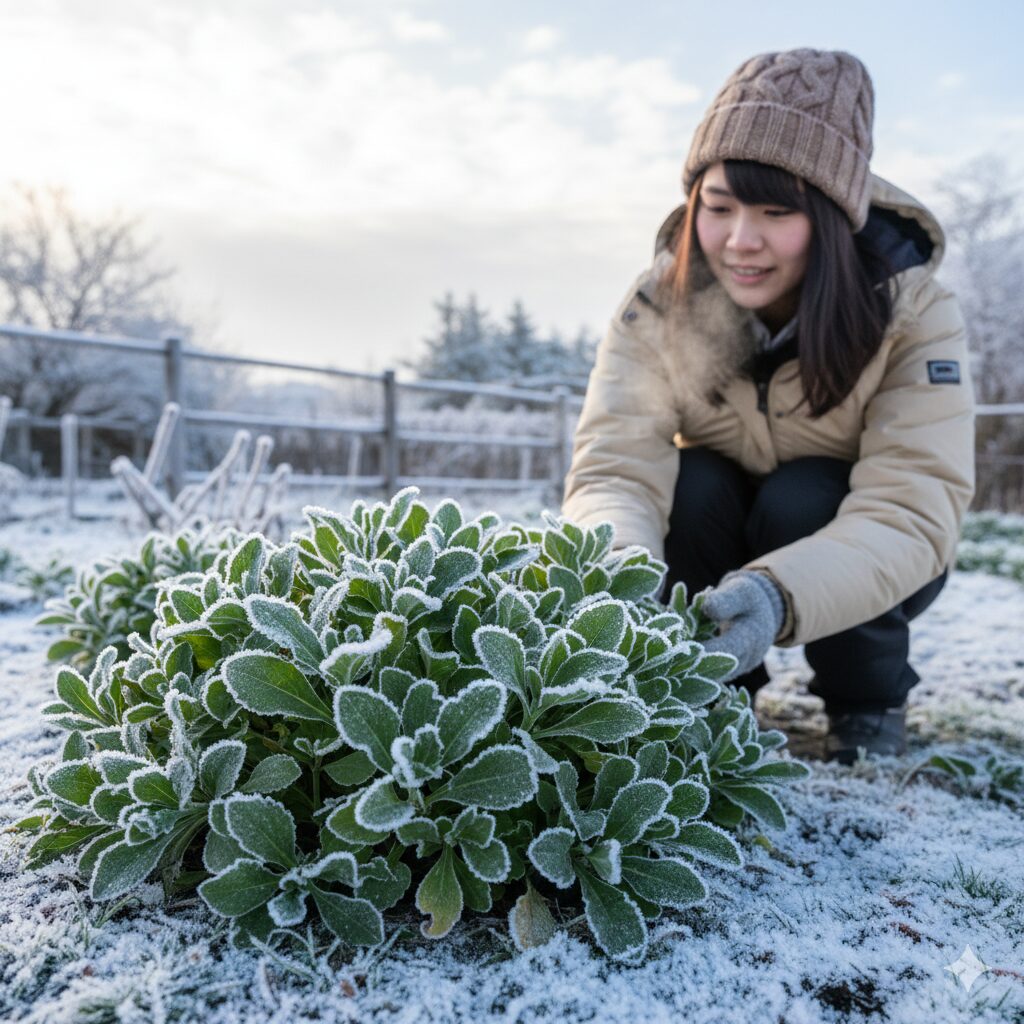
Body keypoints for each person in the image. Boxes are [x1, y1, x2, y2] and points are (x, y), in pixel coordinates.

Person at [560, 47, 976, 764]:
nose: (740, 241)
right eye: (718, 209)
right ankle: (710, 695)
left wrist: (779, 595)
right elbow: (615, 471)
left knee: (805, 494)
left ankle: (867, 704)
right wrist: (620, 574)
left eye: (776, 213)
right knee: (693, 481)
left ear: (833, 219)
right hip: (720, 532)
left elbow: (912, 508)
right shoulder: (658, 306)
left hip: (857, 544)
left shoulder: (912, 314)